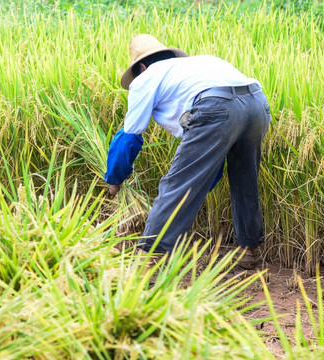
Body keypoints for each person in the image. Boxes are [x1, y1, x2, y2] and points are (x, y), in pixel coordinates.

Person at [104, 34, 271, 269]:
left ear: (141, 66)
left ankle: (147, 257)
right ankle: (248, 249)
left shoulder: (146, 78)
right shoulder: (200, 63)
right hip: (257, 104)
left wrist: (115, 178)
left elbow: (129, 136)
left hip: (215, 106)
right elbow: (209, 158)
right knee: (245, 179)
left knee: (176, 184)